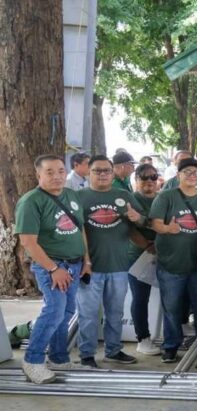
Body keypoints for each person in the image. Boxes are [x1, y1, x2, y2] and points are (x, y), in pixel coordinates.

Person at [15, 155, 88, 383]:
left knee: (66, 312)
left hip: (75, 265)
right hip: (52, 266)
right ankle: (33, 361)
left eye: (60, 171)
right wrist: (54, 269)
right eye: (49, 172)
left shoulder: (71, 195)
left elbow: (80, 229)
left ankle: (58, 357)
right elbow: (28, 241)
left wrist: (87, 260)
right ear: (38, 174)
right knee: (54, 310)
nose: (56, 176)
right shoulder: (31, 201)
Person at [76, 155, 143, 367]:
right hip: (89, 267)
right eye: (97, 170)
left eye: (106, 170)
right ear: (88, 173)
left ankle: (113, 350)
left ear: (113, 173)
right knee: (88, 314)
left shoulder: (124, 195)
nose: (102, 174)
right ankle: (87, 354)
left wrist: (137, 218)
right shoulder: (78, 197)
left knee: (115, 313)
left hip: (119, 267)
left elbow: (143, 221)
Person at [149, 157, 197, 363]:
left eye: (196, 173)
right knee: (172, 308)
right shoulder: (166, 197)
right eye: (187, 172)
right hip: (171, 264)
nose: (192, 175)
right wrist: (167, 229)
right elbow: (155, 224)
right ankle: (171, 345)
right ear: (178, 175)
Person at [129, 162, 161, 355]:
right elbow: (129, 229)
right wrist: (148, 246)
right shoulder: (130, 198)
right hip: (137, 256)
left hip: (164, 254)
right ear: (136, 180)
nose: (150, 181)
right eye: (144, 177)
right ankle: (143, 338)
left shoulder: (163, 198)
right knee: (140, 298)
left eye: (154, 177)